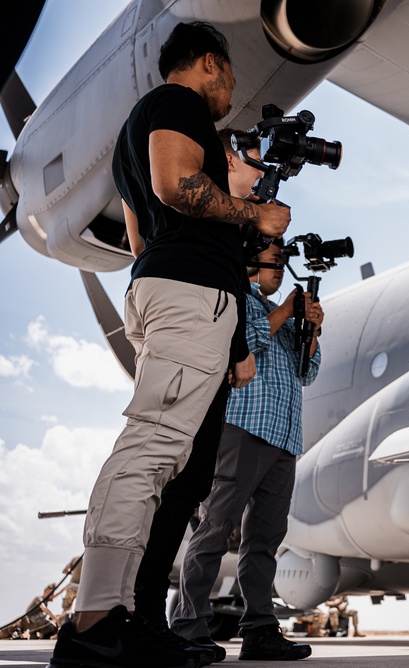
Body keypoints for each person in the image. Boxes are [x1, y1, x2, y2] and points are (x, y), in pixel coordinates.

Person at [48, 21, 290, 668]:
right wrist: (253, 216)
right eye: (230, 78)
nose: (228, 92)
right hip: (186, 298)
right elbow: (176, 186)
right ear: (209, 64)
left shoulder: (139, 133)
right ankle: (96, 623)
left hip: (175, 290)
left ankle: (140, 621)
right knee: (153, 449)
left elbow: (139, 239)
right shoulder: (175, 104)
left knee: (182, 473)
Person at [126, 128, 268, 666]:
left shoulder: (219, 222)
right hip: (188, 321)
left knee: (188, 481)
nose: (261, 175)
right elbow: (222, 284)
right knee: (163, 471)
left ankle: (144, 617)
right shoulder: (207, 213)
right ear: (225, 159)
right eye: (253, 162)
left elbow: (224, 280)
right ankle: (134, 615)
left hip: (195, 323)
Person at [170, 237, 322, 662]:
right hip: (244, 429)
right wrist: (286, 312)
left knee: (265, 541)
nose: (281, 268)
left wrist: (310, 329)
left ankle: (259, 630)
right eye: (275, 261)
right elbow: (245, 341)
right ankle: (188, 625)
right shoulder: (237, 297)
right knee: (216, 526)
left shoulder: (285, 316)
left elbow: (307, 371)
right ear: (251, 262)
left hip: (285, 437)